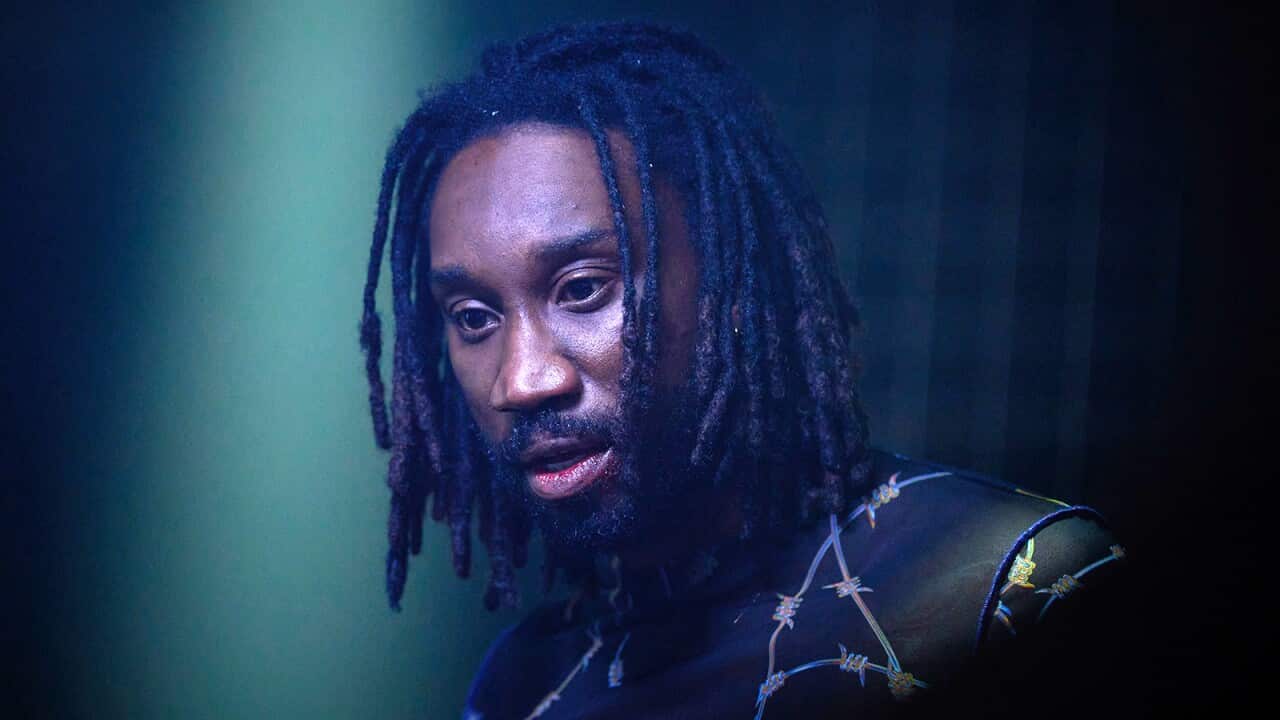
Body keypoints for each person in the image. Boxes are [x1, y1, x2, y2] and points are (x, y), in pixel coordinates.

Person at [357, 21, 1123, 719]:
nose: (521, 381)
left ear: (728, 282)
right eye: (474, 319)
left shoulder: (1005, 584)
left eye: (584, 289)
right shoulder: (523, 686)